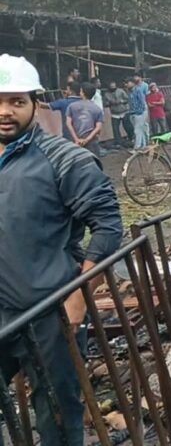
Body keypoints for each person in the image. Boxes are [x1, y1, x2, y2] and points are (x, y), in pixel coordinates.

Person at [0, 54, 123, 446]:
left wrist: (78, 298)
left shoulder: (65, 160)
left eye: (16, 101)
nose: (5, 111)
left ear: (36, 104)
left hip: (49, 313)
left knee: (56, 414)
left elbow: (108, 227)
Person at [66, 82, 105, 157]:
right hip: (92, 141)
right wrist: (87, 140)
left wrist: (76, 139)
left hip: (75, 141)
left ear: (82, 93)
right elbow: (98, 128)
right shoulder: (97, 109)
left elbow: (68, 124)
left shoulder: (71, 106)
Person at [103, 80, 132, 147]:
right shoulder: (106, 94)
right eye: (111, 87)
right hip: (114, 113)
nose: (113, 88)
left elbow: (127, 99)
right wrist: (109, 103)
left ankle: (131, 138)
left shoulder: (121, 91)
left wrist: (121, 101)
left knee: (128, 126)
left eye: (114, 86)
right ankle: (118, 142)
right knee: (115, 129)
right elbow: (105, 104)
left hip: (124, 111)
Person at [128, 75, 150, 150]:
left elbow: (142, 102)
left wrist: (140, 112)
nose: (126, 84)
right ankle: (143, 145)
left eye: (128, 83)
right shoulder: (130, 92)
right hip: (134, 112)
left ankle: (137, 147)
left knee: (137, 130)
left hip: (139, 112)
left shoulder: (138, 90)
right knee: (140, 129)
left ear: (132, 83)